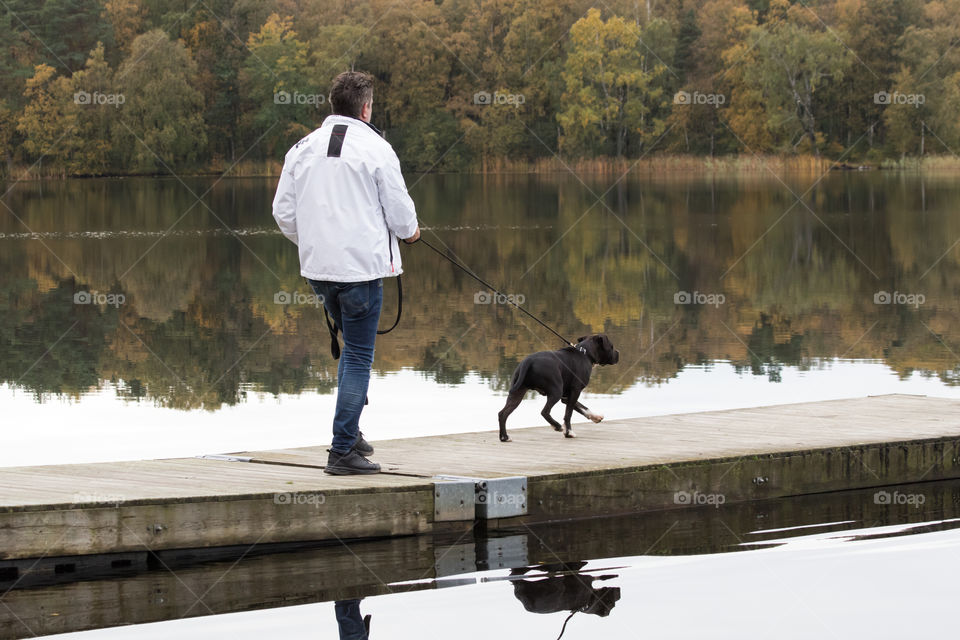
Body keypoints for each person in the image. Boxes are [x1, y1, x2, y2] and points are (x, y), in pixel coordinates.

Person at [272, 71, 420, 475]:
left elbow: (282, 213)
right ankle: (342, 451)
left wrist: (316, 244)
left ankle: (350, 435)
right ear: (366, 107)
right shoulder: (377, 148)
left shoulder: (300, 148)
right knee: (357, 355)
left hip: (319, 272)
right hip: (361, 273)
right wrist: (411, 234)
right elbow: (402, 214)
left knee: (352, 350)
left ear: (332, 104)